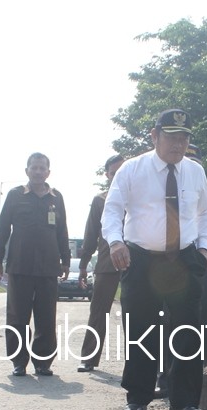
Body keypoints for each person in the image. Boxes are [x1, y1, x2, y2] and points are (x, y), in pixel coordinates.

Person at [102, 109, 207, 410]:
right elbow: (112, 210)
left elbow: (205, 212)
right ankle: (138, 397)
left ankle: (183, 402)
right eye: (172, 137)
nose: (178, 145)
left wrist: (204, 247)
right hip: (141, 259)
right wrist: (115, 242)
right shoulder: (132, 169)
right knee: (142, 329)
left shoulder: (195, 172)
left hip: (184, 259)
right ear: (154, 136)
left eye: (184, 138)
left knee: (188, 331)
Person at [154, 143, 207, 397]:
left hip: (203, 262)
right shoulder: (165, 191)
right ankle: (165, 379)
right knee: (168, 320)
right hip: (171, 262)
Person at [0, 153, 70, 377]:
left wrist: (65, 260)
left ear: (48, 172)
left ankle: (43, 362)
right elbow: (2, 228)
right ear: (27, 171)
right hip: (20, 265)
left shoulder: (56, 198)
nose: (38, 171)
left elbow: (62, 231)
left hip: (48, 267)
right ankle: (18, 362)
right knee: (17, 317)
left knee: (46, 317)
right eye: (34, 168)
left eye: (42, 168)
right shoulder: (15, 195)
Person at [76, 153, 126, 372]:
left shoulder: (138, 196)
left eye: (121, 171)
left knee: (136, 315)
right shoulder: (100, 200)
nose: (117, 176)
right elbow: (90, 235)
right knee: (98, 311)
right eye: (113, 173)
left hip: (136, 263)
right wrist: (83, 265)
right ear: (107, 175)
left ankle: (139, 364)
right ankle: (89, 358)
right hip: (107, 263)